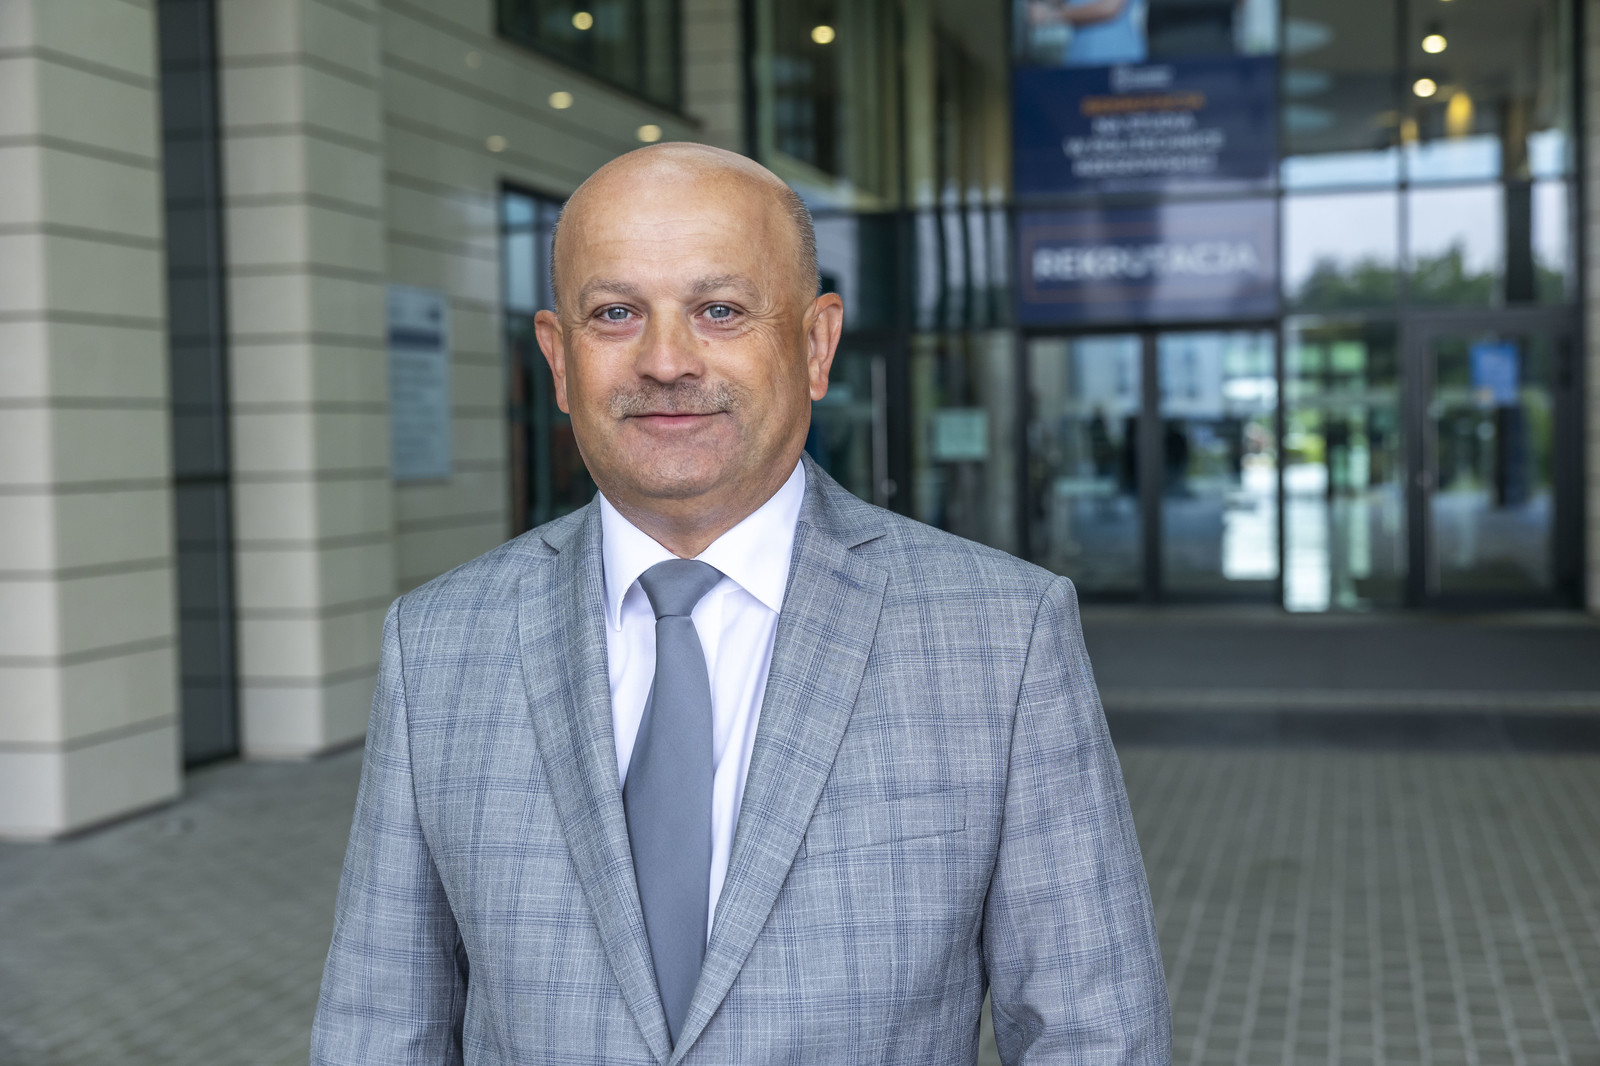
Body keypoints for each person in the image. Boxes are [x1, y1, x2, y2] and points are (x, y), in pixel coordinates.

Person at [310, 143, 1169, 1065]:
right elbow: (379, 1028)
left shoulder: (1003, 635)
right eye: (615, 313)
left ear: (815, 344)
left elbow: (1093, 1036)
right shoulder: (438, 644)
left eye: (719, 310)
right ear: (558, 359)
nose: (665, 361)